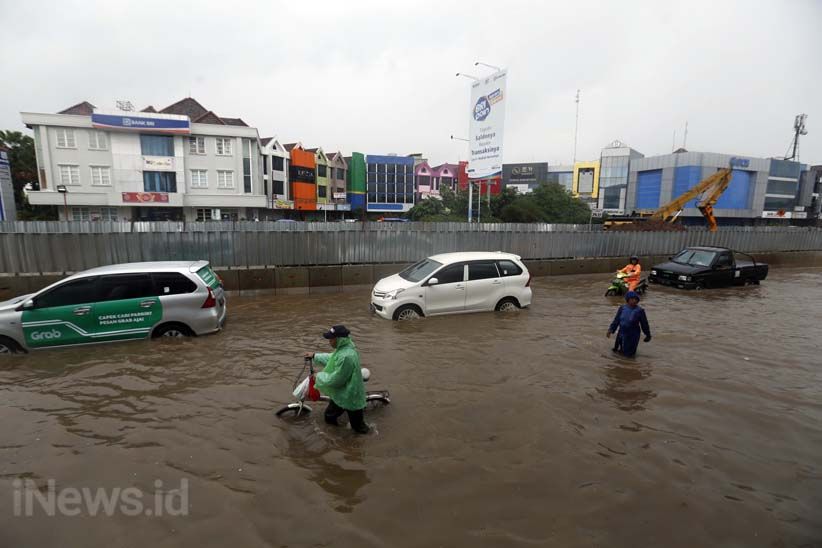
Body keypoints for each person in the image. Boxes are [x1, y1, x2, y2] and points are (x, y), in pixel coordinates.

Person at [304, 325, 369, 434]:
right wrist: (315, 355)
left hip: (350, 394)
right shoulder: (344, 348)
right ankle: (337, 436)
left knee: (358, 427)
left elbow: (337, 380)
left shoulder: (346, 356)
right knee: (329, 416)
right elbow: (332, 358)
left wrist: (318, 376)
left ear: (339, 339)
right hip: (342, 393)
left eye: (331, 339)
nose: (329, 341)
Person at [607, 291, 651, 358]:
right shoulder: (622, 308)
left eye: (636, 299)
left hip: (633, 335)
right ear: (628, 300)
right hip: (621, 333)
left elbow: (644, 324)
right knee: (617, 351)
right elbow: (616, 320)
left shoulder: (640, 311)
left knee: (629, 354)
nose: (634, 301)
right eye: (632, 299)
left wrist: (648, 335)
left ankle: (630, 365)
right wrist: (610, 330)